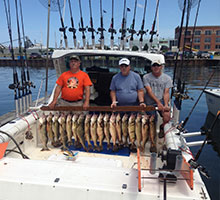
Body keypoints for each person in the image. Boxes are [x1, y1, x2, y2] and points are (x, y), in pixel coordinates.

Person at [143, 59, 173, 138]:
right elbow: (149, 91)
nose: (156, 67)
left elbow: (166, 92)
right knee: (153, 120)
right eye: (154, 65)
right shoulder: (146, 77)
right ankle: (150, 135)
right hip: (149, 102)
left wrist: (165, 104)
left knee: (167, 116)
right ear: (151, 67)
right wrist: (158, 103)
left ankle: (162, 127)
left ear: (161, 67)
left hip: (162, 100)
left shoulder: (167, 78)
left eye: (158, 65)